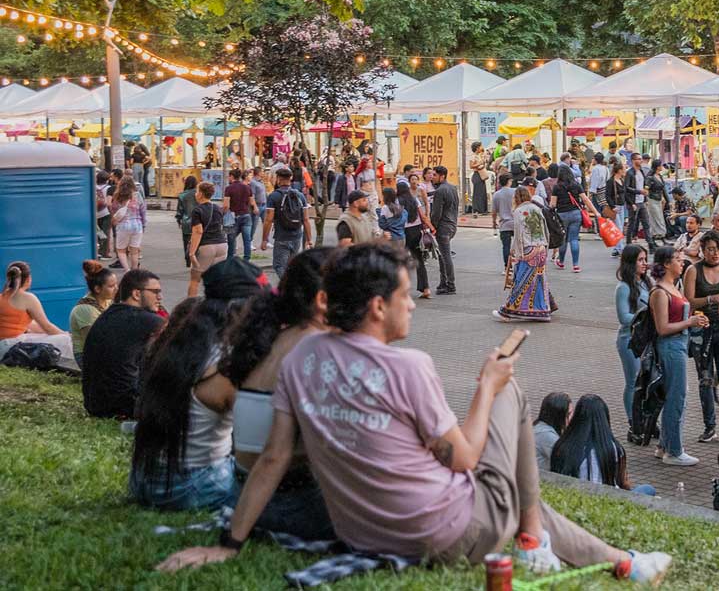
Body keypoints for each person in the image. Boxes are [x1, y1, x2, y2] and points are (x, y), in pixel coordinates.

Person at [156, 242, 673, 584]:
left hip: (363, 531)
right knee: (508, 393)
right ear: (378, 306)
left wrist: (229, 544)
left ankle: (619, 561)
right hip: (442, 530)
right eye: (407, 297)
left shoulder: (303, 358)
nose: (415, 306)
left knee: (512, 490)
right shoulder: (408, 367)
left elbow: (270, 460)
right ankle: (545, 538)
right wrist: (486, 389)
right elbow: (466, 458)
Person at [216, 248, 336, 539]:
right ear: (322, 300)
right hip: (288, 504)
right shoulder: (316, 348)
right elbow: (276, 456)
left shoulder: (271, 336)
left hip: (241, 493)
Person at [129, 259, 264, 510]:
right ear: (243, 309)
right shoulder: (225, 363)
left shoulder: (179, 344)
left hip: (143, 479)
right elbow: (258, 443)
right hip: (190, 487)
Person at [649, 246, 708, 466]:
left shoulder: (673, 287)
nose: (681, 263)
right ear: (666, 264)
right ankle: (674, 450)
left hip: (680, 344)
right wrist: (690, 322)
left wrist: (695, 322)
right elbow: (662, 327)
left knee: (676, 395)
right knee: (677, 396)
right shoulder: (660, 292)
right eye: (677, 260)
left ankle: (665, 445)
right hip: (671, 346)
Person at [81, 269, 166, 418]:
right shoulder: (148, 320)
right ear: (136, 294)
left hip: (95, 405)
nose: (160, 297)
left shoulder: (110, 314)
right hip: (125, 406)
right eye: (155, 292)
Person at [683, 231, 719, 445]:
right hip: (701, 331)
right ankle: (709, 427)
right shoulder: (693, 271)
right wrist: (711, 298)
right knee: (705, 380)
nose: (714, 254)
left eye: (718, 249)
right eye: (710, 249)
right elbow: (689, 301)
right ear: (703, 250)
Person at [551, 395, 655, 496]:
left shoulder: (563, 444)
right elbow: (624, 483)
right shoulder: (612, 448)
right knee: (648, 489)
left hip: (573, 495)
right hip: (606, 498)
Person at [494, 187, 556, 322]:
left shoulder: (519, 211)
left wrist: (515, 251)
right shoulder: (536, 209)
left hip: (528, 250)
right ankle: (542, 309)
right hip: (541, 249)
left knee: (521, 281)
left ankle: (507, 311)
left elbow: (519, 234)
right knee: (539, 281)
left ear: (516, 198)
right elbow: (545, 230)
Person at [614, 245, 649, 438]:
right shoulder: (623, 287)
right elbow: (623, 317)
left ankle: (644, 417)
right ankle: (632, 420)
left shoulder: (645, 283)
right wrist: (644, 315)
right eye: (640, 260)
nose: (645, 264)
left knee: (645, 381)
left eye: (645, 259)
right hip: (629, 340)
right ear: (630, 263)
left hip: (645, 340)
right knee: (633, 381)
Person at [260, 168, 313, 279]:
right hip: (297, 236)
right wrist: (309, 240)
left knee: (279, 266)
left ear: (278, 179)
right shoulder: (300, 196)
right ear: (291, 178)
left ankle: (288, 289)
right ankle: (293, 288)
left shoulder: (273, 196)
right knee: (291, 266)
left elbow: (268, 220)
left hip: (281, 237)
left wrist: (265, 239)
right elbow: (306, 219)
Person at [0, 260, 64, 342]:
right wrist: (67, 336)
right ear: (28, 279)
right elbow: (47, 327)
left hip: (3, 345)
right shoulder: (28, 298)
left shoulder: (2, 296)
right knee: (64, 340)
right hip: (12, 347)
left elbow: (31, 325)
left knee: (34, 330)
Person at [552, 164, 599, 273]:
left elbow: (553, 204)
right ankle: (576, 265)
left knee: (563, 239)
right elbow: (586, 200)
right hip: (575, 214)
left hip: (562, 215)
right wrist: (596, 212)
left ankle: (562, 262)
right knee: (574, 239)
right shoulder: (576, 185)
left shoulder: (557, 187)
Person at [70, 260, 117, 368]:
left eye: (116, 285)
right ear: (97, 289)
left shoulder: (107, 301)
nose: (116, 289)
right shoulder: (85, 309)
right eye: (111, 286)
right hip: (87, 355)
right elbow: (93, 342)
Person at [187, 182, 228, 298]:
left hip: (207, 247)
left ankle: (189, 309)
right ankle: (218, 306)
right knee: (216, 280)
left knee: (195, 280)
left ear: (200, 194)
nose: (195, 194)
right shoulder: (218, 208)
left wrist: (192, 252)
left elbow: (198, 231)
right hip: (222, 245)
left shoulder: (197, 211)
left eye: (196, 191)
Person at [397, 181, 432, 299]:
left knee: (401, 261)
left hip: (404, 232)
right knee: (419, 260)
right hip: (416, 232)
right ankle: (426, 288)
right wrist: (431, 227)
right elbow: (422, 216)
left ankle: (402, 290)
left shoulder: (397, 202)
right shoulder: (414, 200)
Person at [429, 166, 460, 295]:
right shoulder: (452, 188)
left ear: (442, 176)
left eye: (435, 175)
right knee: (442, 255)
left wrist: (432, 227)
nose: (432, 177)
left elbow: (436, 213)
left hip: (443, 226)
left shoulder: (440, 191)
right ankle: (444, 282)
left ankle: (450, 284)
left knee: (445, 256)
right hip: (452, 225)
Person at [110, 176, 147, 271]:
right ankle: (134, 271)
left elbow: (114, 210)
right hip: (137, 225)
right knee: (134, 251)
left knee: (121, 250)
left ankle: (127, 270)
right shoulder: (137, 195)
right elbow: (143, 211)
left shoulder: (117, 196)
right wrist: (143, 225)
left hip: (123, 226)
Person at [223, 169, 257, 262]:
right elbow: (252, 201)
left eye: (229, 176)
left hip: (234, 216)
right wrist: (254, 209)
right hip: (246, 215)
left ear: (232, 176)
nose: (228, 178)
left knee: (231, 238)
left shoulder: (229, 188)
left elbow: (226, 205)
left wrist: (223, 214)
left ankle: (230, 258)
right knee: (247, 239)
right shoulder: (247, 187)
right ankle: (247, 259)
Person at [533, 392, 572, 472]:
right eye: (569, 414)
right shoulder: (546, 435)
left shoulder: (540, 425)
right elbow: (567, 462)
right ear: (559, 416)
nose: (572, 417)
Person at [492, 174, 518, 268]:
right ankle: (519, 264)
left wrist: (494, 222)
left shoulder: (496, 194)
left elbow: (494, 211)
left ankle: (507, 267)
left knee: (506, 246)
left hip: (504, 224)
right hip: (516, 222)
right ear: (509, 181)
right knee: (519, 245)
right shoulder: (515, 191)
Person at [605, 162, 628, 257]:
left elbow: (625, 193)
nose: (625, 170)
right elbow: (607, 195)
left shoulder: (621, 180)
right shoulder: (611, 181)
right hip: (615, 207)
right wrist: (612, 206)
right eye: (623, 169)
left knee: (620, 228)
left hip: (622, 206)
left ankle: (616, 248)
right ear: (619, 170)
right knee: (618, 228)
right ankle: (620, 249)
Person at [248, 167, 269, 246]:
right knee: (254, 224)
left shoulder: (261, 182)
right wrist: (254, 206)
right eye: (262, 172)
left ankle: (266, 240)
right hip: (257, 205)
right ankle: (250, 241)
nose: (264, 173)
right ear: (258, 173)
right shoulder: (253, 182)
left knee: (266, 223)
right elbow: (251, 195)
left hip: (264, 205)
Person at [468, 141, 490, 215]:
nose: (482, 147)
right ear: (477, 148)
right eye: (480, 146)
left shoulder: (480, 155)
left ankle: (483, 210)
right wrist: (479, 163)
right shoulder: (473, 156)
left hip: (481, 175)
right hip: (477, 175)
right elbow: (471, 166)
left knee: (483, 192)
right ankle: (478, 209)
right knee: (478, 193)